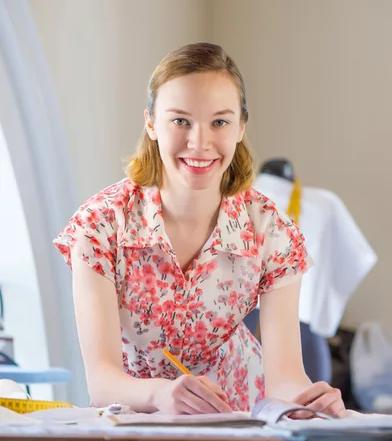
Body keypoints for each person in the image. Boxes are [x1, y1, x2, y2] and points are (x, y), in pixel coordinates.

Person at [53, 42, 345, 417]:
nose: (200, 142)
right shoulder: (101, 226)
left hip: (242, 414)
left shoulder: (271, 230)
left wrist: (310, 401)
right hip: (134, 415)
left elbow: (286, 376)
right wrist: (162, 394)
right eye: (180, 120)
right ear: (151, 124)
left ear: (241, 127)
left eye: (219, 122)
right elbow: (101, 378)